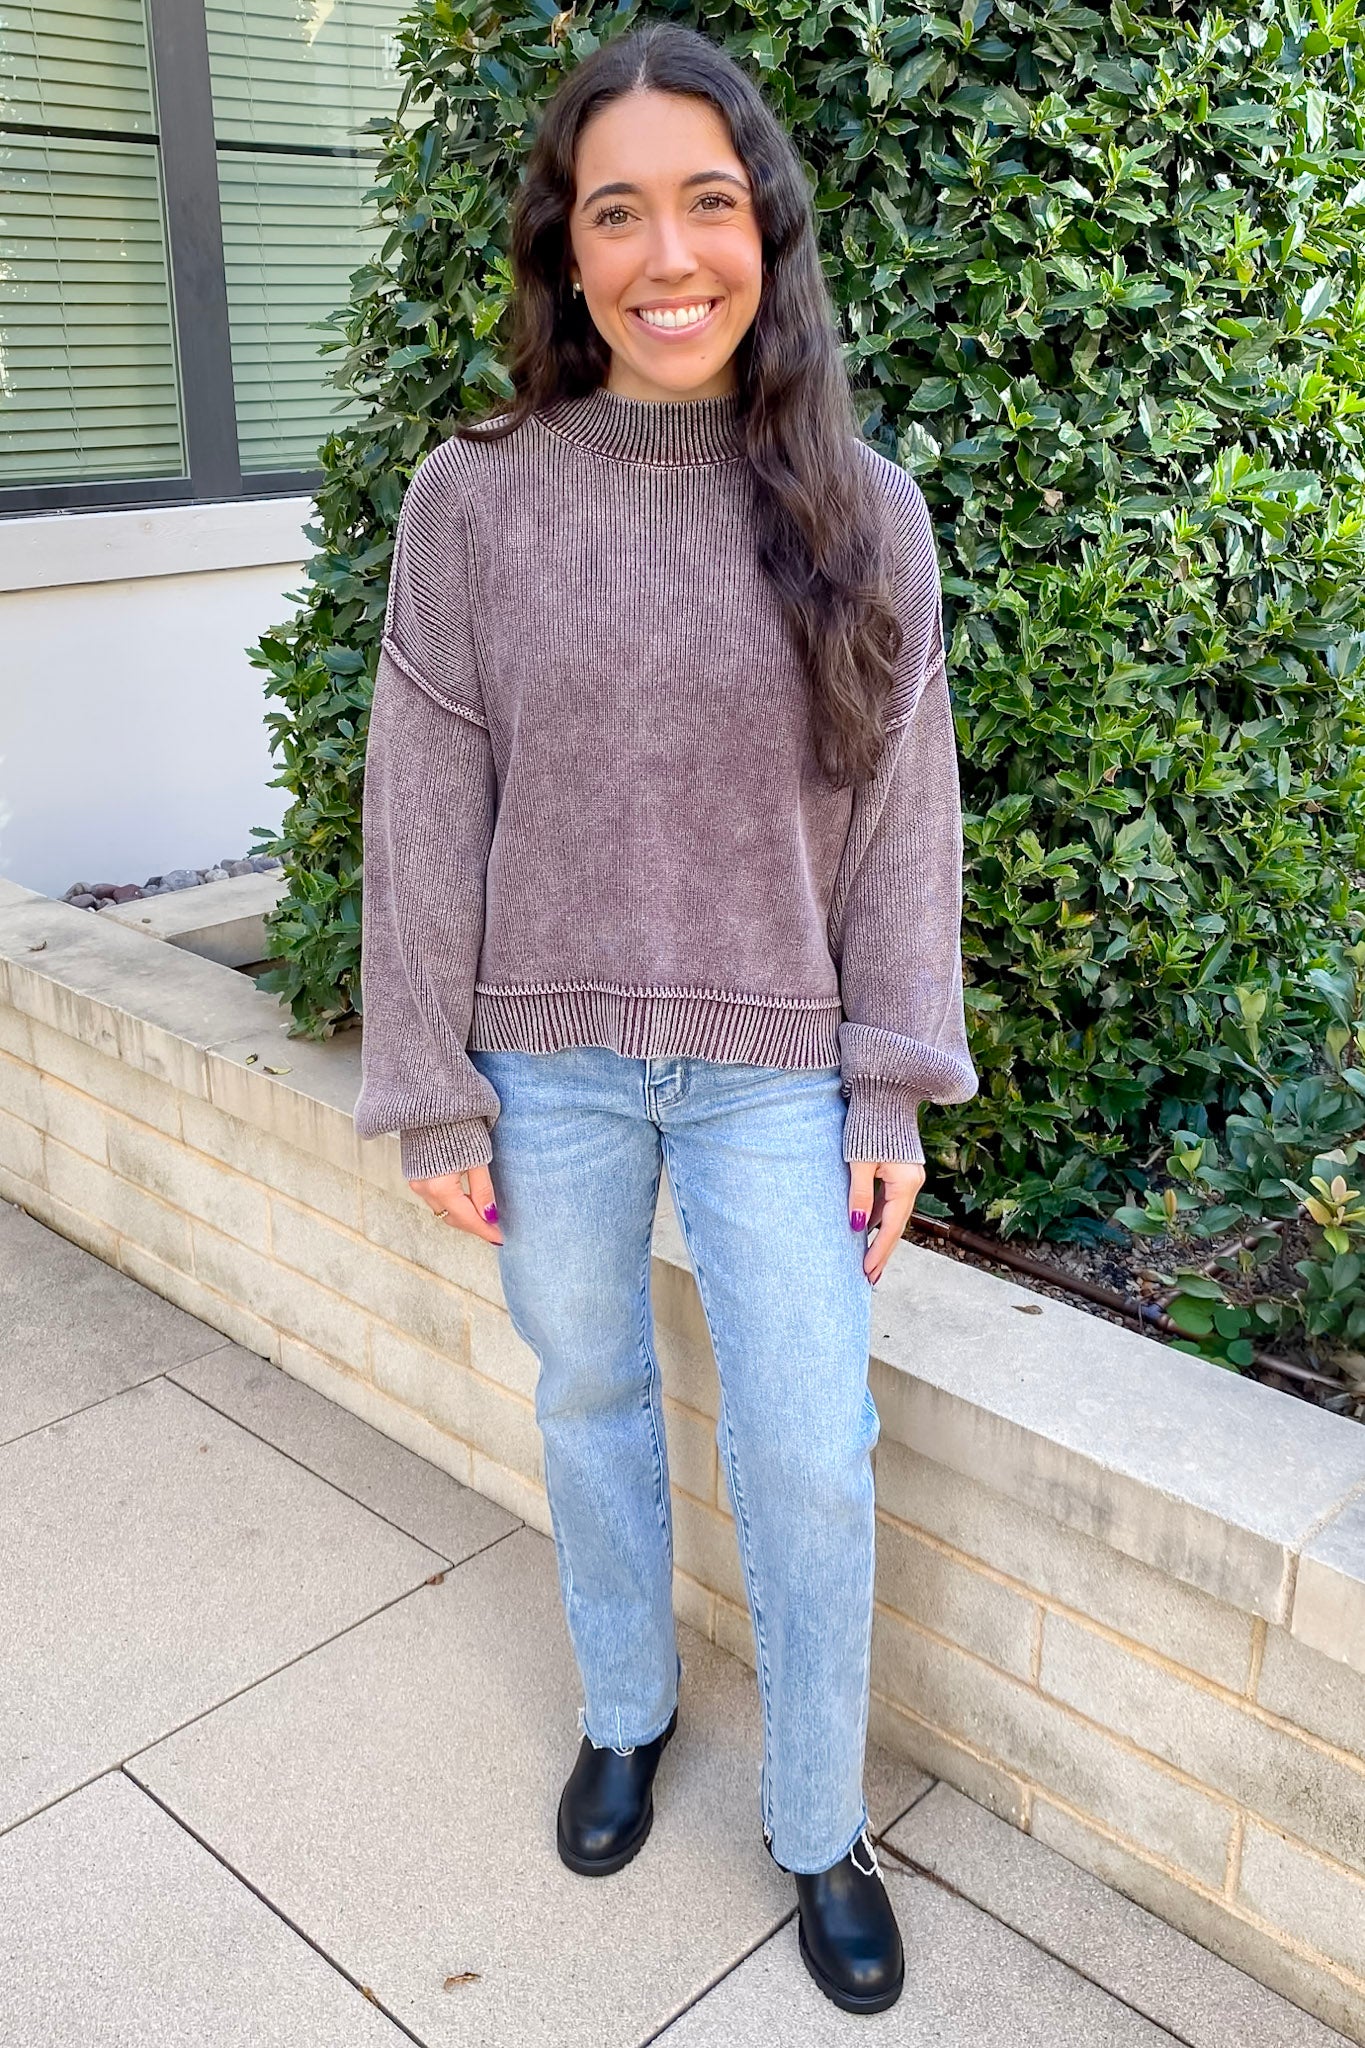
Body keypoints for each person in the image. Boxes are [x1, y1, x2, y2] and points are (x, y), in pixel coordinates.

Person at [353, 18, 977, 2017]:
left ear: (763, 231)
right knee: (589, 1401)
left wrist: (888, 1090)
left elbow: (900, 827)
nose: (665, 254)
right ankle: (624, 1706)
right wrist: (431, 1090)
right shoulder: (474, 499)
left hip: (772, 1073)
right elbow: (421, 799)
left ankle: (816, 1819)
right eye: (614, 211)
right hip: (542, 1061)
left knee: (808, 1452)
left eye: (705, 203)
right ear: (566, 245)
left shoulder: (864, 510)